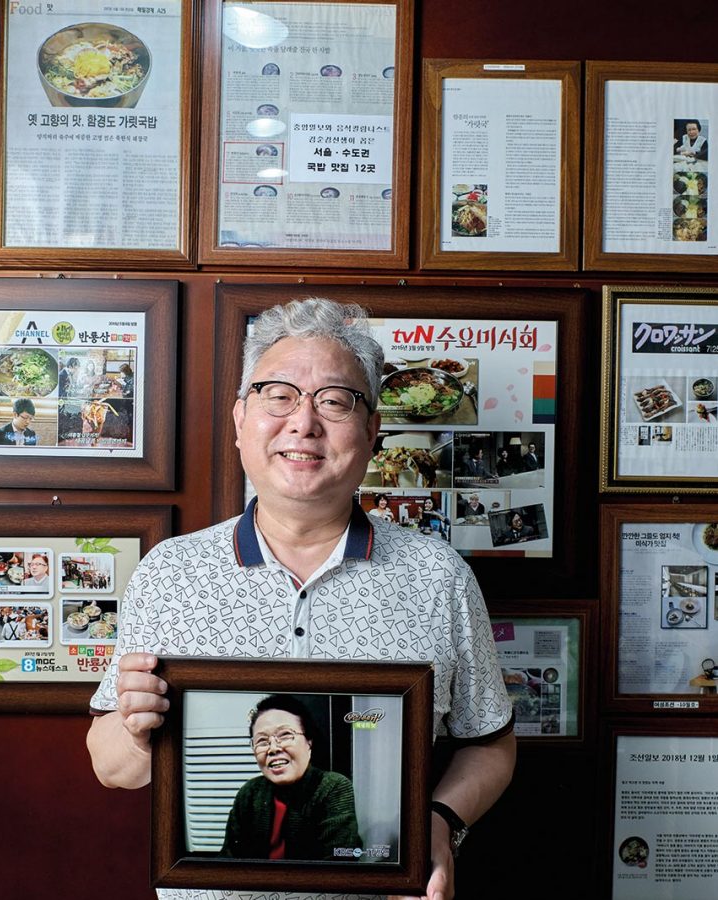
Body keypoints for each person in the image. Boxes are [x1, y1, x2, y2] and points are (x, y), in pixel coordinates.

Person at [86, 298, 515, 900]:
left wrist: (441, 825)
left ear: (372, 433)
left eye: (335, 401)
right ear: (240, 420)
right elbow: (114, 768)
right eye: (278, 395)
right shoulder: (170, 573)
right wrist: (134, 732)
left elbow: (490, 743)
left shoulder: (437, 575)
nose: (303, 423)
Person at [220, 694, 361, 860]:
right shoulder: (249, 793)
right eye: (262, 741)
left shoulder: (332, 787)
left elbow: (338, 863)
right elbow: (228, 859)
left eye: (285, 735)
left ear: (309, 741)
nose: (272, 748)